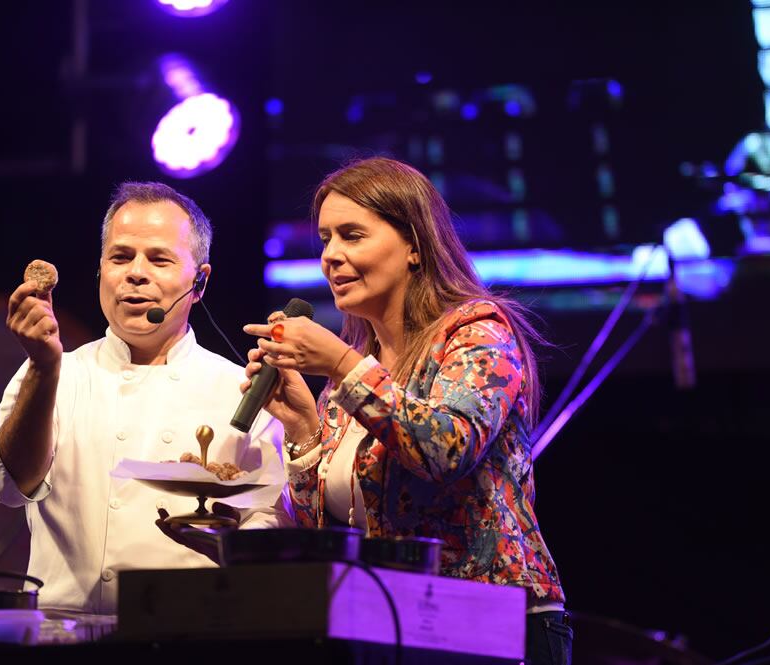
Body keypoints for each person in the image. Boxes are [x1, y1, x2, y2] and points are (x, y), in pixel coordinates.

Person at [241, 157, 571, 665]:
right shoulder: (351, 379)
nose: (331, 255)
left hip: (492, 623)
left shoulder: (478, 332)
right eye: (326, 238)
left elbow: (445, 448)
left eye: (352, 235)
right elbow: (326, 532)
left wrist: (342, 364)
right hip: (389, 625)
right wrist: (304, 426)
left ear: (415, 245)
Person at [0, 181, 290, 615]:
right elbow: (9, 486)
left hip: (191, 630)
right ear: (101, 268)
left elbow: (272, 519)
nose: (136, 273)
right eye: (120, 257)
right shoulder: (55, 373)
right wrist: (44, 367)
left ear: (199, 282)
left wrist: (229, 545)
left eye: (159, 259)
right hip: (61, 635)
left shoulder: (240, 390)